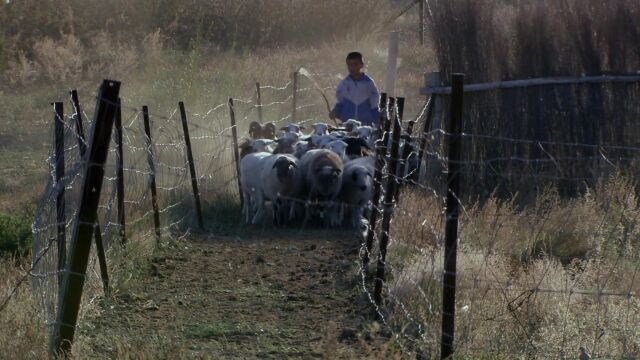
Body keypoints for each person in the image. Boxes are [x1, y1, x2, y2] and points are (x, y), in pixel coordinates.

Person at [329, 52, 381, 126]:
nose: (352, 67)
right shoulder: (344, 84)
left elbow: (375, 104)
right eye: (349, 64)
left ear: (361, 65)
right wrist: (335, 112)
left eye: (355, 64)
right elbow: (340, 103)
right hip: (347, 125)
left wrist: (376, 119)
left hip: (365, 126)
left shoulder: (369, 83)